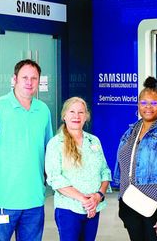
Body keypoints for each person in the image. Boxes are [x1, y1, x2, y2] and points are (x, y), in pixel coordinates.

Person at [0, 59, 53, 241]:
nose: (29, 82)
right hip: (2, 200)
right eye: (24, 77)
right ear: (14, 79)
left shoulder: (43, 110)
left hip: (34, 201)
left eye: (34, 78)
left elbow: (49, 149)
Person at [114, 76, 157, 241]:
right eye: (143, 103)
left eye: (153, 103)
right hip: (132, 203)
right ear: (138, 104)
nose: (148, 107)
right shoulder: (133, 130)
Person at [45, 97, 112, 241]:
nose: (76, 116)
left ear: (86, 116)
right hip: (68, 209)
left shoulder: (94, 141)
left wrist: (97, 196)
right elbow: (55, 178)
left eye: (81, 112)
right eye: (72, 112)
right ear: (64, 116)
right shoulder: (55, 144)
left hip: (94, 208)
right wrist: (84, 200)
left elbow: (105, 172)